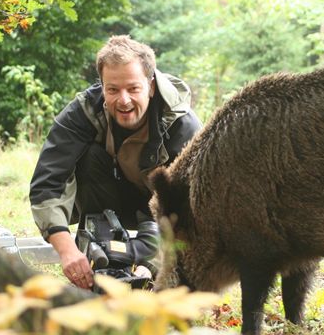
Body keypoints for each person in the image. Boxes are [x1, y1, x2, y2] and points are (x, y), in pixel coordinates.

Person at [29, 35, 202, 288]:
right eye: (113, 90)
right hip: (108, 196)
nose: (123, 100)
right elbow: (47, 182)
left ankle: (145, 266)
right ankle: (100, 258)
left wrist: (152, 265)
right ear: (102, 86)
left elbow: (191, 211)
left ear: (150, 86)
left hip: (161, 208)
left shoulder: (183, 126)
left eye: (133, 89)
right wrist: (66, 251)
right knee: (88, 157)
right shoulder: (84, 110)